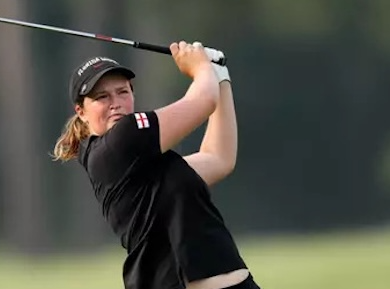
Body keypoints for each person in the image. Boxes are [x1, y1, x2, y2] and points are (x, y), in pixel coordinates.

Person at [52, 41, 261, 289]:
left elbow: (218, 158)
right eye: (101, 97)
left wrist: (220, 77)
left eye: (123, 92)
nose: (115, 102)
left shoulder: (143, 161)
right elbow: (204, 100)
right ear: (81, 112)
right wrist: (200, 68)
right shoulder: (119, 143)